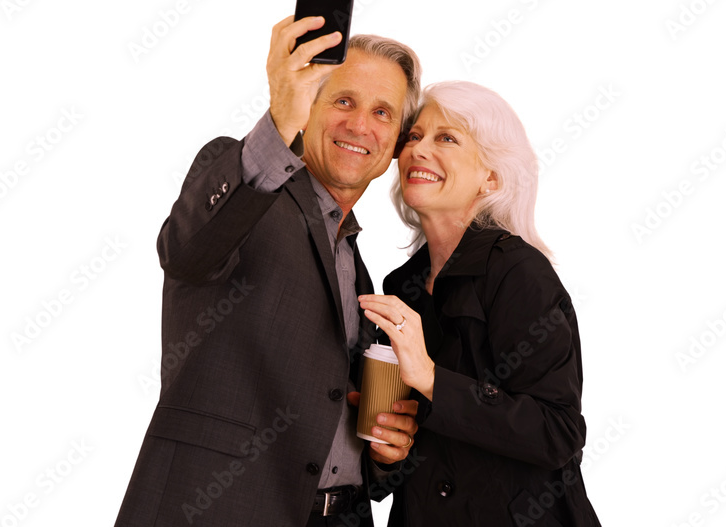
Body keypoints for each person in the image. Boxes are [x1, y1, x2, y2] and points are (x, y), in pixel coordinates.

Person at [115, 16, 423, 527]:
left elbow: (327, 413)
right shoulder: (249, 191)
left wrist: (383, 454)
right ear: (309, 108)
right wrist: (278, 121)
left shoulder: (358, 266)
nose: (359, 124)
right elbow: (185, 251)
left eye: (382, 112)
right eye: (343, 101)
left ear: (392, 146)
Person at [358, 81, 601, 526]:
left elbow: (558, 433)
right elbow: (390, 471)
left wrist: (432, 380)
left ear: (491, 176)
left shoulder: (518, 272)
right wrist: (387, 454)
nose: (418, 150)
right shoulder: (401, 286)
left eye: (446, 138)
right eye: (414, 137)